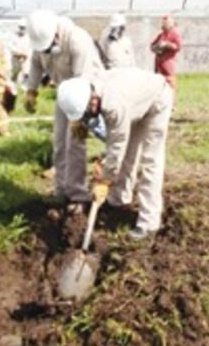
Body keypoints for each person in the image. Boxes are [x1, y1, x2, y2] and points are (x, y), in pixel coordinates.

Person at [56, 68, 174, 240]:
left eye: (86, 114)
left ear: (93, 100)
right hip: (134, 101)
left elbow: (117, 146)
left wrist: (104, 180)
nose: (88, 117)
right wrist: (80, 123)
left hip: (157, 100)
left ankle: (149, 222)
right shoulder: (84, 89)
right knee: (128, 156)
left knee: (150, 160)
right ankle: (118, 201)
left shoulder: (114, 105)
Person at [24, 10, 105, 207]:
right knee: (60, 140)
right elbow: (35, 63)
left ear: (57, 35)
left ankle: (78, 192)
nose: (45, 51)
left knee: (75, 141)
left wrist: (78, 118)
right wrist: (31, 90)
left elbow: (83, 81)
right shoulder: (42, 41)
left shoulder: (77, 40)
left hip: (86, 92)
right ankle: (61, 188)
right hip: (64, 92)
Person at [150, 14, 182, 91]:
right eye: (163, 23)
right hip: (158, 66)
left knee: (170, 86)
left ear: (171, 24)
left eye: (166, 23)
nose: (164, 24)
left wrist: (167, 44)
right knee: (158, 86)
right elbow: (152, 46)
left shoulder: (175, 34)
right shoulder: (161, 35)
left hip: (168, 66)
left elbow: (178, 47)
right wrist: (157, 47)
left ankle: (171, 101)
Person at [9, 19, 31, 86]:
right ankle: (12, 86)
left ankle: (23, 87)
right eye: (21, 27)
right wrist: (18, 54)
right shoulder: (13, 36)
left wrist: (24, 56)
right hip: (15, 59)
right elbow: (11, 47)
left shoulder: (28, 38)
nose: (22, 29)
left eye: (23, 28)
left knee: (25, 73)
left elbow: (30, 49)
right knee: (14, 74)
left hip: (25, 60)